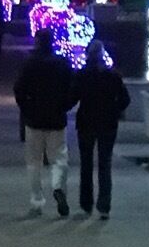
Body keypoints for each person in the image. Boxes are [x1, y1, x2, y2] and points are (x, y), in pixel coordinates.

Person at [13, 30, 78, 216]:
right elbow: (73, 89)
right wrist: (65, 106)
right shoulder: (62, 64)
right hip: (56, 117)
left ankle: (37, 200)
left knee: (34, 161)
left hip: (34, 118)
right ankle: (58, 186)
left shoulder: (29, 65)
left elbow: (19, 89)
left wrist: (26, 108)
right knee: (59, 157)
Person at [73, 40, 129, 220]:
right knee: (105, 164)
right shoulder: (113, 76)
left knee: (86, 164)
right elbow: (125, 99)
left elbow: (73, 97)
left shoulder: (82, 75)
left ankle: (86, 203)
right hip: (107, 124)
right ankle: (104, 205)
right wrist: (115, 110)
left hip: (86, 122)